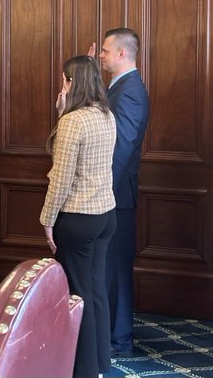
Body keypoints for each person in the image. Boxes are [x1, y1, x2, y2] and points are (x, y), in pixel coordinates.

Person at [41, 55, 116, 378]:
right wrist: (61, 114)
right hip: (105, 215)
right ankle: (99, 363)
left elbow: (61, 177)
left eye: (64, 80)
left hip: (78, 217)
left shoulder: (74, 122)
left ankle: (83, 370)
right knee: (96, 290)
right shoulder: (105, 114)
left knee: (78, 295)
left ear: (71, 83)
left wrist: (46, 219)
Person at [90, 28, 150, 356]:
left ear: (122, 54)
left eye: (105, 50)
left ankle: (119, 341)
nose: (102, 54)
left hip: (116, 196)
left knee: (115, 270)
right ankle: (112, 337)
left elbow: (121, 149)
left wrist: (100, 194)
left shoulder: (129, 92)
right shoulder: (119, 87)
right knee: (108, 270)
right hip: (113, 195)